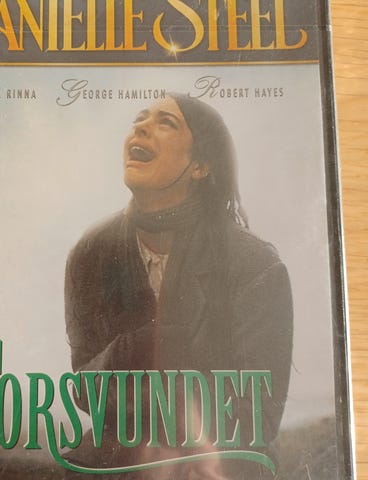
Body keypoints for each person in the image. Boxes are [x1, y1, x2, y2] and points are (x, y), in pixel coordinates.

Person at [64, 94, 293, 479]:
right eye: (139, 118)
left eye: (166, 122)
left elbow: (256, 414)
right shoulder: (90, 253)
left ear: (200, 166)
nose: (141, 127)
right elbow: (87, 390)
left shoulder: (255, 266)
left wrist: (139, 389)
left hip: (220, 457)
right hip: (123, 455)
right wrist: (134, 345)